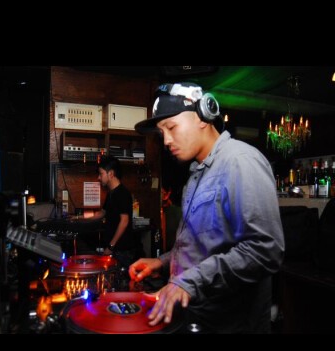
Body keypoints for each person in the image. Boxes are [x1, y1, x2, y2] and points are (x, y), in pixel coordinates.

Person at [130, 82, 285, 333]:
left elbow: (265, 250)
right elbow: (203, 246)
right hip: (197, 318)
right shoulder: (196, 174)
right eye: (161, 132)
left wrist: (189, 282)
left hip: (230, 324)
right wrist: (162, 262)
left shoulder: (240, 161)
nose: (166, 140)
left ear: (203, 116)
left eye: (171, 127)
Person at [84, 155, 137, 286]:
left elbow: (124, 221)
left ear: (111, 174)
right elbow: (102, 213)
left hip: (122, 251)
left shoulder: (122, 193)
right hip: (115, 250)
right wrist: (80, 220)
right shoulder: (111, 193)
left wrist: (111, 247)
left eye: (101, 173)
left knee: (120, 286)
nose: (98, 177)